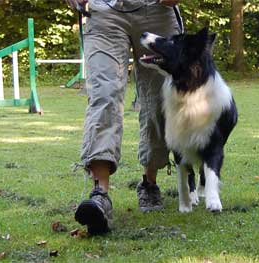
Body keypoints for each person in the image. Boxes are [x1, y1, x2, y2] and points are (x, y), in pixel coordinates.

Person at [65, 0, 182, 235]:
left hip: (157, 11)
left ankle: (150, 182)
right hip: (104, 13)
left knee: (160, 101)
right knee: (104, 95)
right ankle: (100, 195)